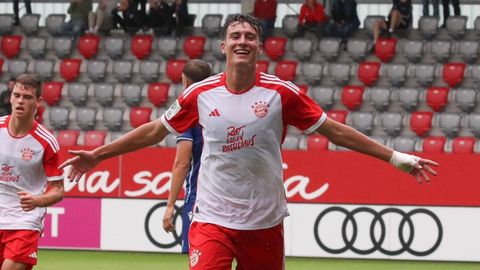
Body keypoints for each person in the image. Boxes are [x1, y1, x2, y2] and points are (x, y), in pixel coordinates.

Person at [59, 14, 438, 269]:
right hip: (211, 219)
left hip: (264, 221)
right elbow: (155, 130)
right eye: (235, 36)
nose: (242, 41)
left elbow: (334, 131)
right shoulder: (199, 94)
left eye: (250, 37)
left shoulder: (282, 93)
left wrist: (394, 157)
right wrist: (97, 154)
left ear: (260, 47)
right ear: (223, 47)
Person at [0, 74, 64, 270]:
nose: (20, 101)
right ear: (10, 97)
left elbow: (58, 190)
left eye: (27, 97)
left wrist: (38, 200)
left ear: (38, 102)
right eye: (17, 95)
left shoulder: (46, 142)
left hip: (24, 221)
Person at [162, 59, 212, 254]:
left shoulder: (189, 113)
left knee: (201, 259)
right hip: (231, 196)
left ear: (185, 83)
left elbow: (182, 164)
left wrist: (170, 206)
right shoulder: (225, 106)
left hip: (200, 197)